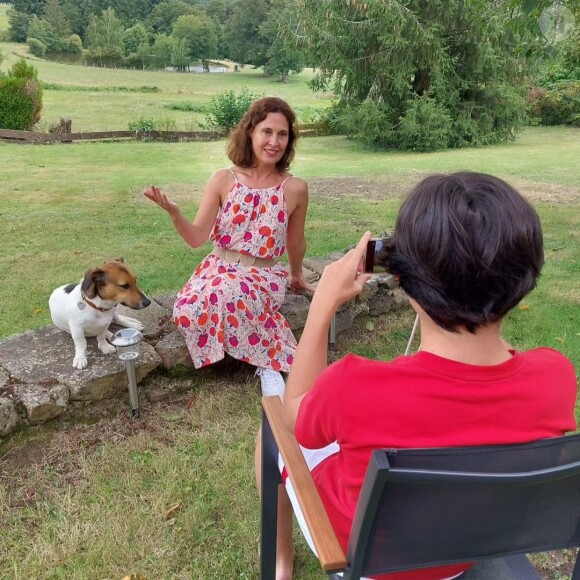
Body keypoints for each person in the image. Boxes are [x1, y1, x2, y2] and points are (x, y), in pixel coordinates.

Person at [271, 172, 578, 580]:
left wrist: (322, 305)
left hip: (368, 558)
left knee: (269, 433)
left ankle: (279, 564)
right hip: (472, 543)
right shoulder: (556, 377)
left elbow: (296, 422)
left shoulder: (354, 387)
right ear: (526, 276)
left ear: (404, 280)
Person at [144, 97, 311, 395]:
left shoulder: (295, 187)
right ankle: (255, 354)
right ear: (251, 133)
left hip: (261, 276)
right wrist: (175, 212)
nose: (274, 141)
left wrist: (296, 274)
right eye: (267, 132)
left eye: (282, 134)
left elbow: (295, 242)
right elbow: (197, 238)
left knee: (230, 294)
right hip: (217, 268)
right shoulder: (224, 179)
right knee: (186, 309)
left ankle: (268, 365)